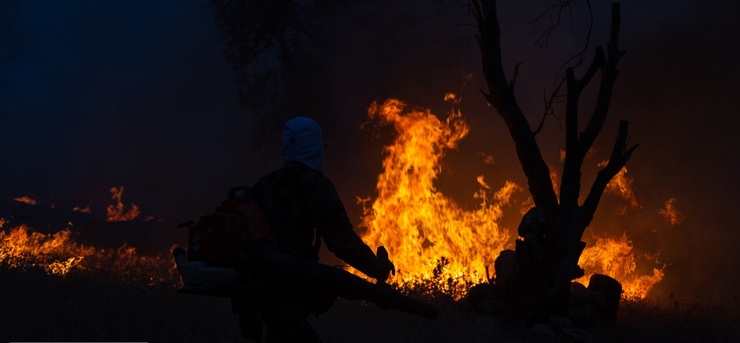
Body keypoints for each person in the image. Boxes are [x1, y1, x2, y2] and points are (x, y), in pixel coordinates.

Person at [236, 116, 395, 343]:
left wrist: (245, 308)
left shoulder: (264, 185)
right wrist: (376, 268)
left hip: (262, 290)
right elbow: (341, 241)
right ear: (315, 149)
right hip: (288, 285)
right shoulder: (313, 184)